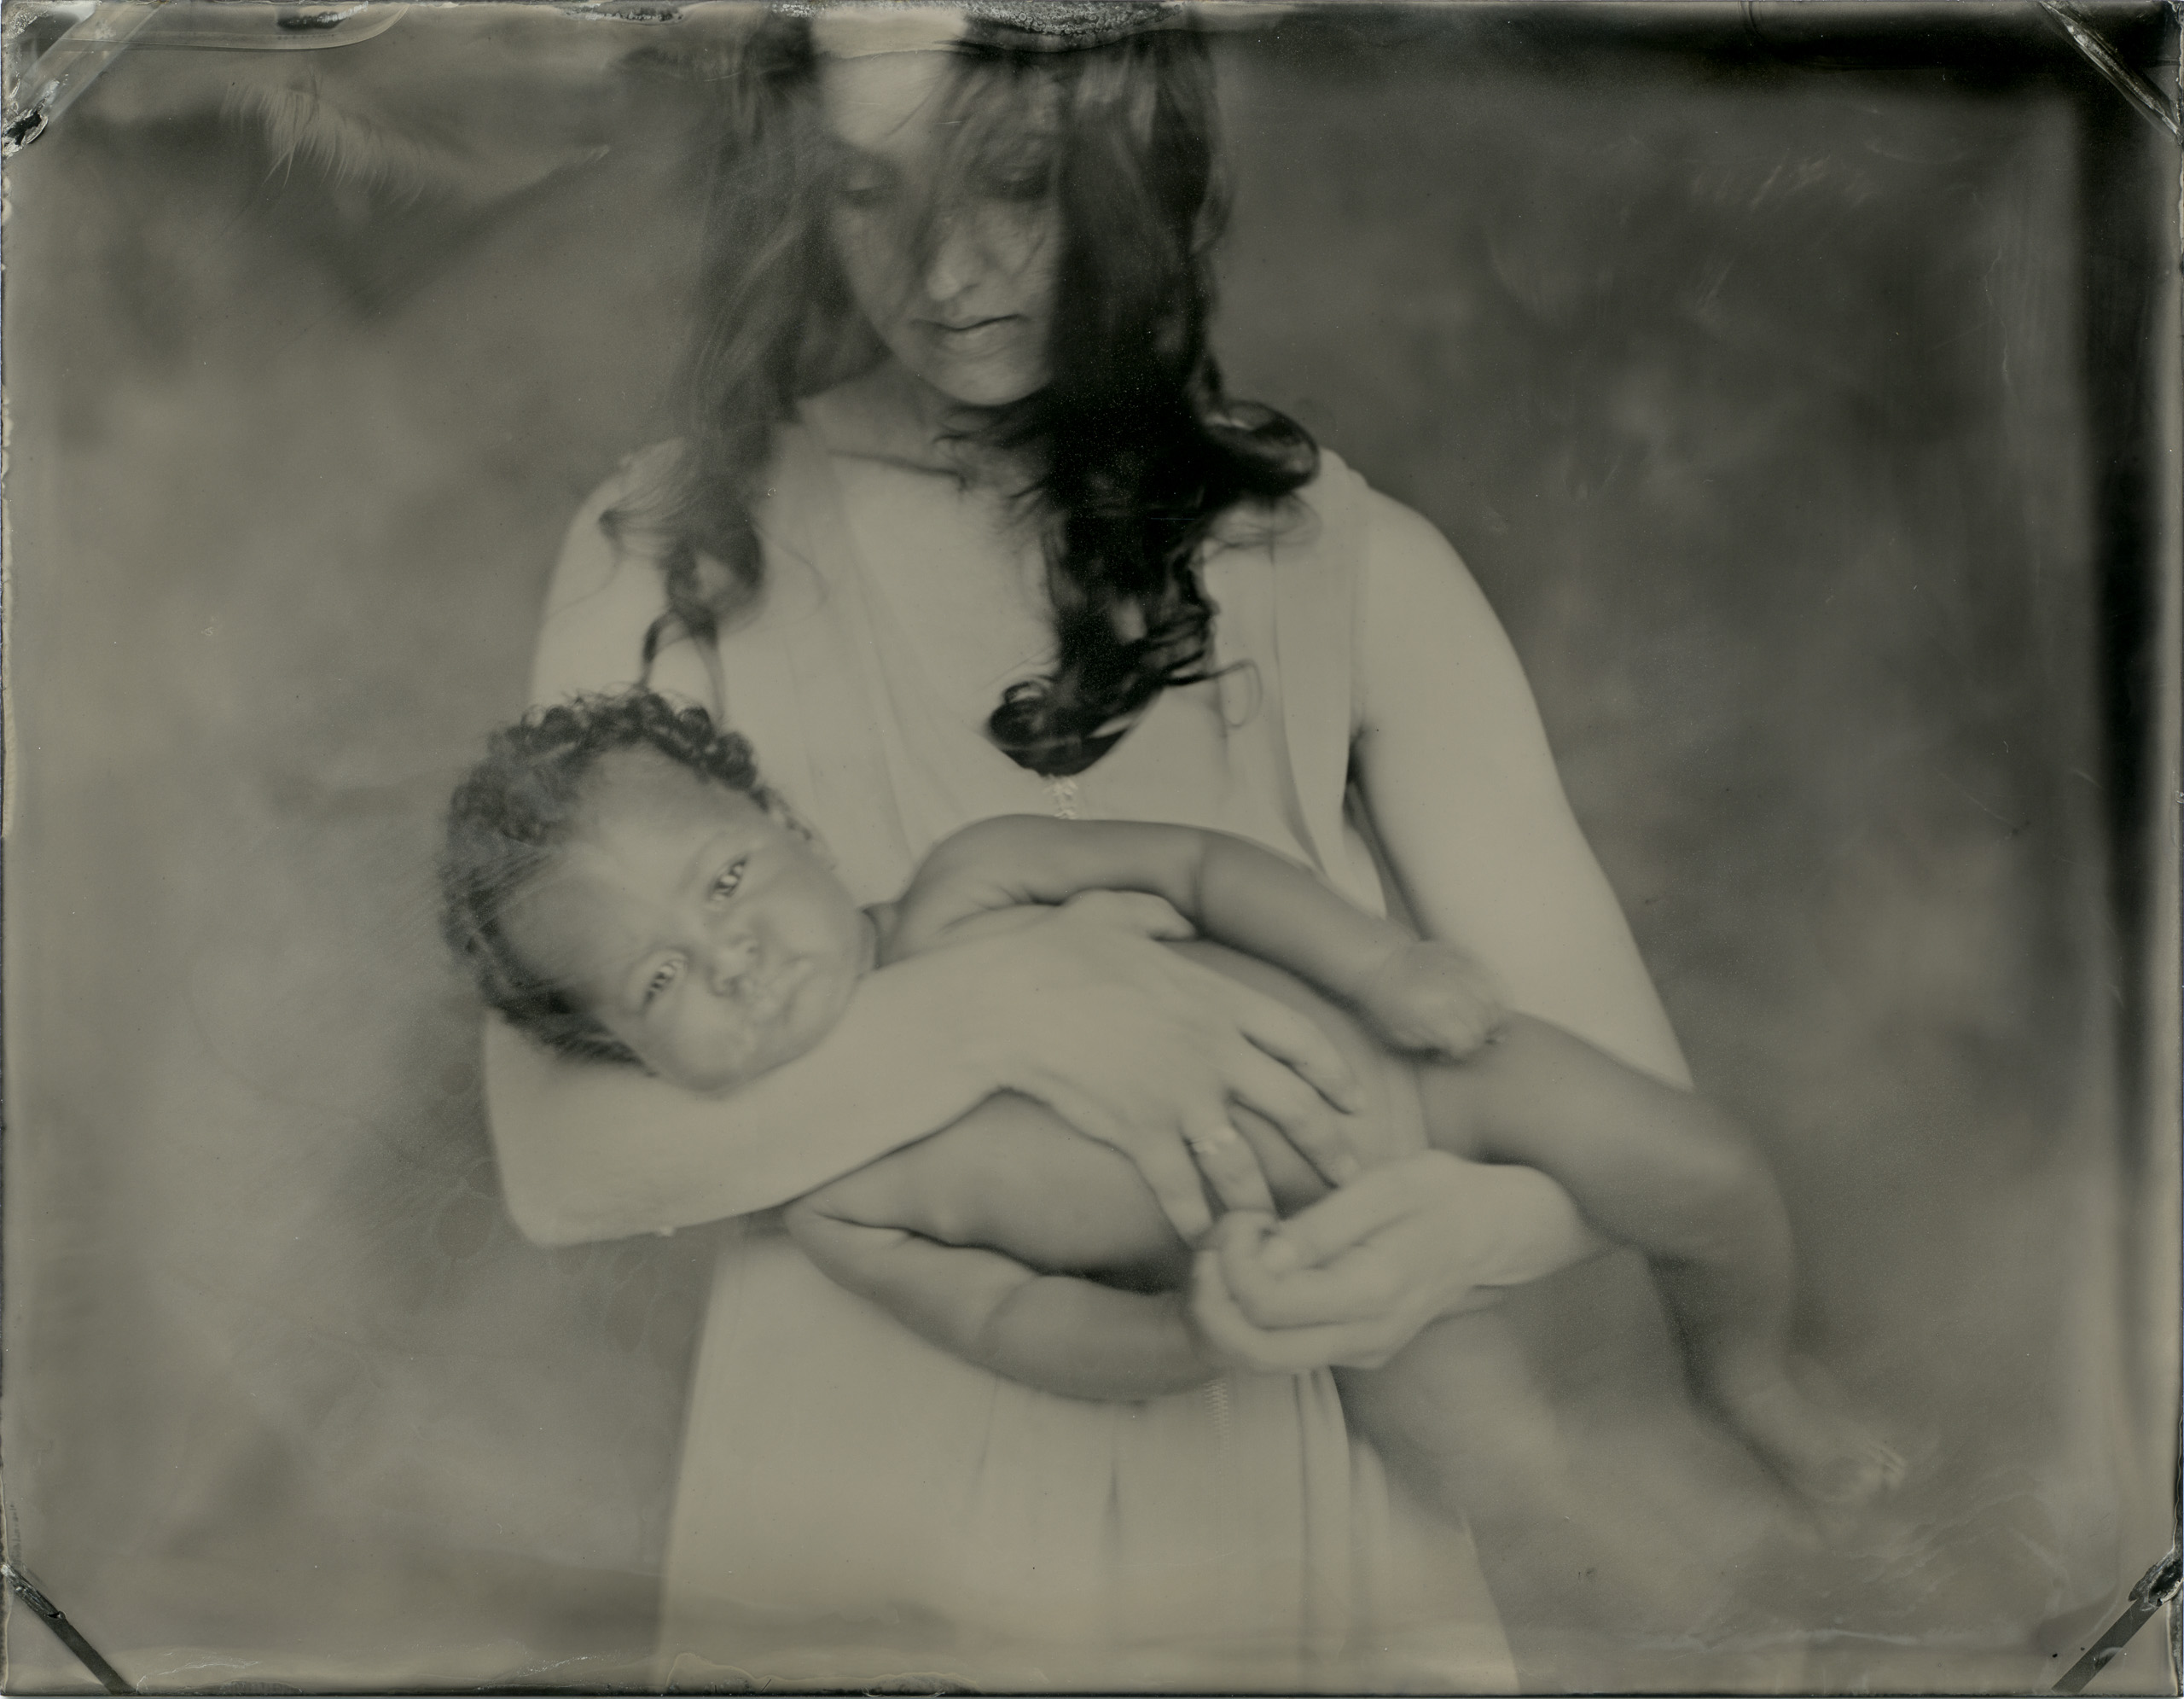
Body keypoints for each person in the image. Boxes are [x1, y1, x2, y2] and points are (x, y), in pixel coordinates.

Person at [482, 4, 1705, 1685]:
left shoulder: (1348, 561)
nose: (938, 266)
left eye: (1013, 181)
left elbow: (1617, 1088)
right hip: (847, 1534)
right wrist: (1015, 1005)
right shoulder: (671, 544)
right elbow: (555, 1165)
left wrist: (1471, 1232)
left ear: (1131, 169)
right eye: (861, 194)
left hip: (1280, 1525)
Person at [448, 688, 1902, 1506]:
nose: (737, 959)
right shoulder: (839, 1197)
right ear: (630, 1063)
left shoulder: (971, 881)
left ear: (789, 828)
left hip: (1422, 1077)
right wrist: (1191, 1336)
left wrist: (1385, 966)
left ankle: (1747, 1373)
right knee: (1501, 1475)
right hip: (1303, 1270)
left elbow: (1198, 872)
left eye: (727, 883)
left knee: (1702, 1172)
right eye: (659, 984)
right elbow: (1016, 1323)